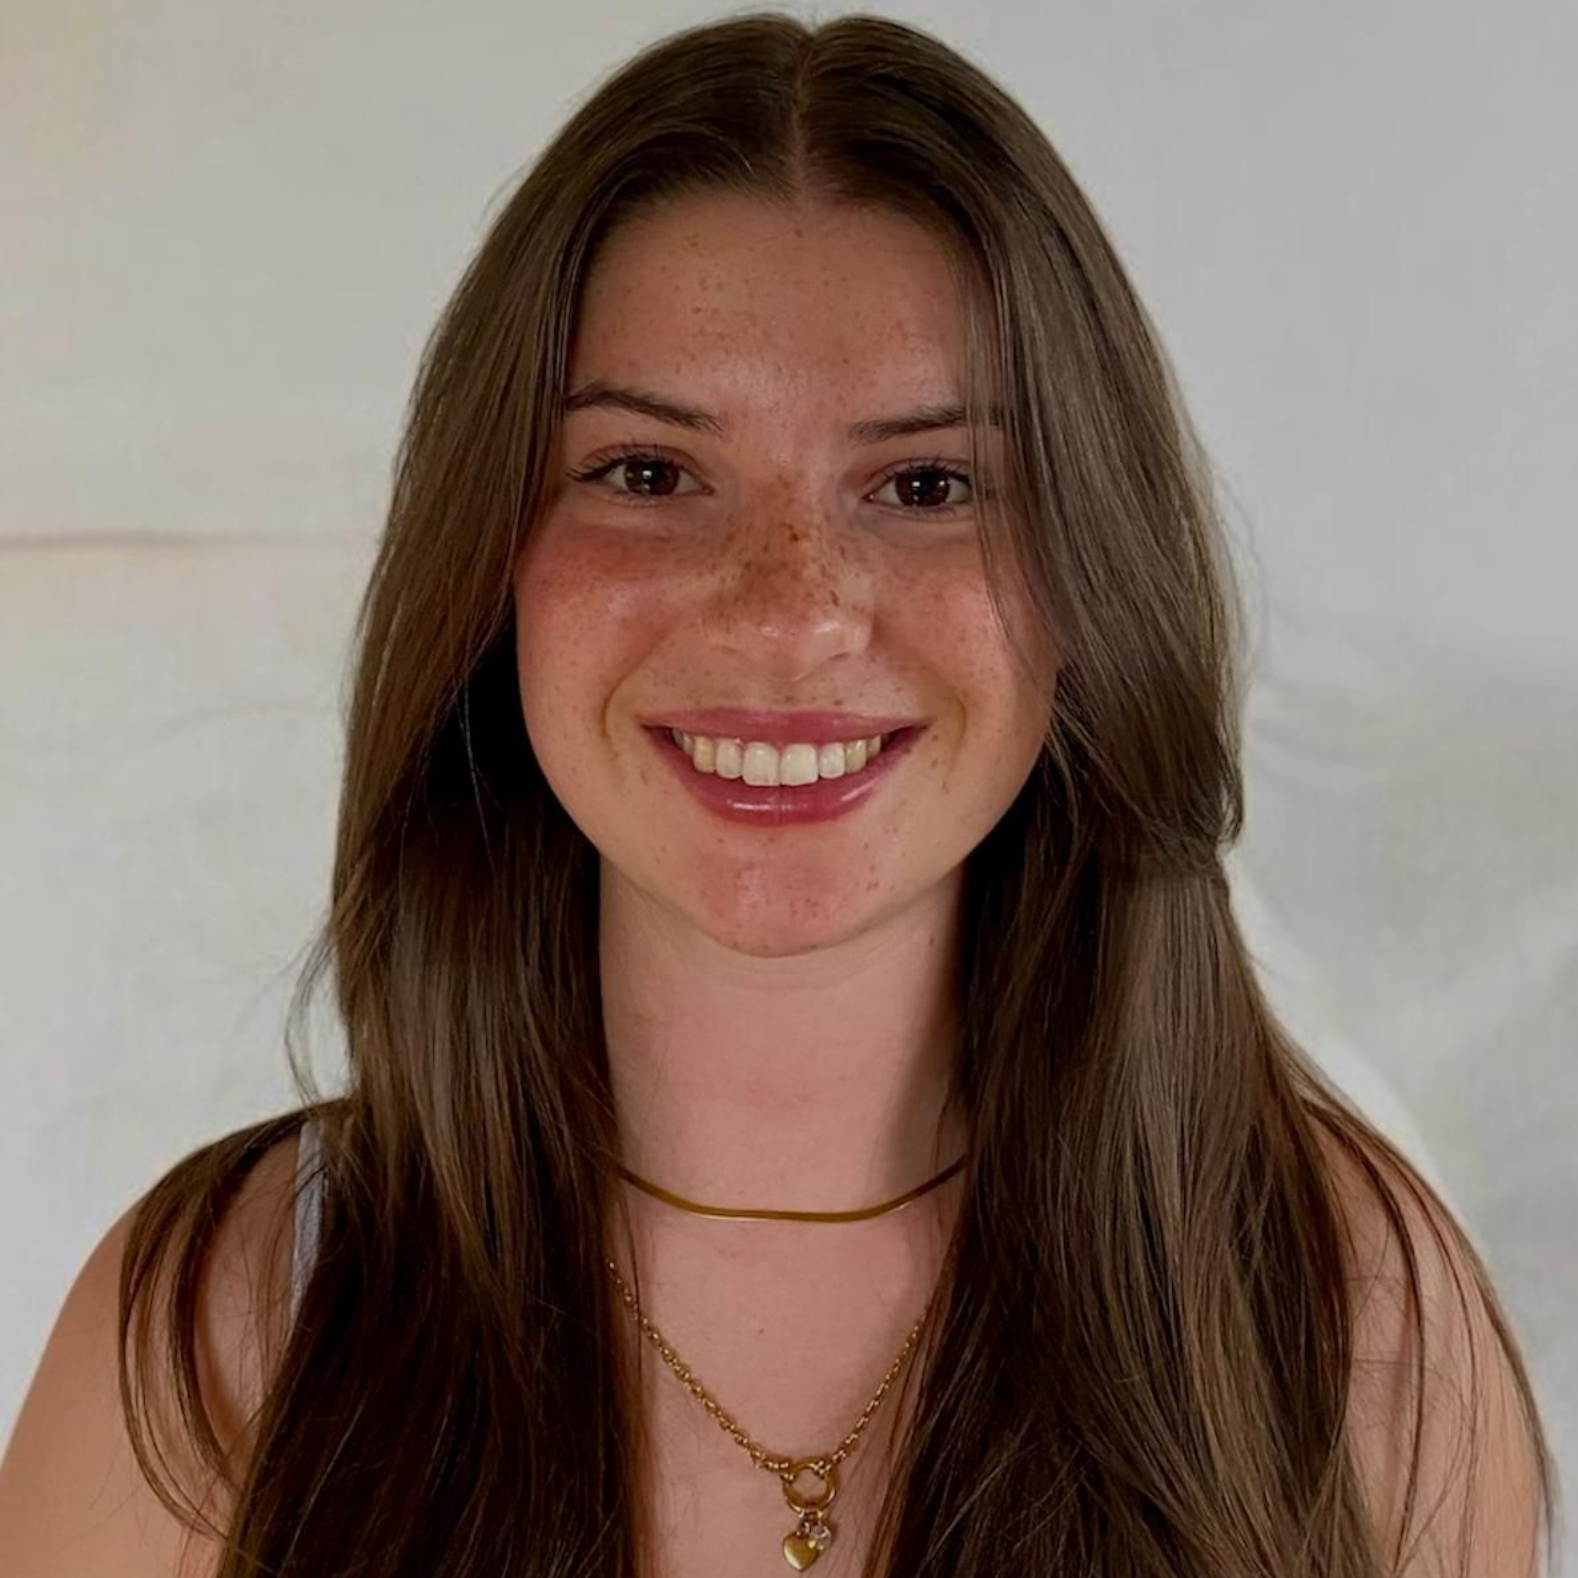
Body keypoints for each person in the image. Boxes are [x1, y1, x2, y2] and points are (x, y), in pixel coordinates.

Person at [0, 12, 1557, 1577]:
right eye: (650, 474)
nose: (789, 610)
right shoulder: (223, 1326)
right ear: (492, 567)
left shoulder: (1348, 1315)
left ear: (1092, 582)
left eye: (927, 485)